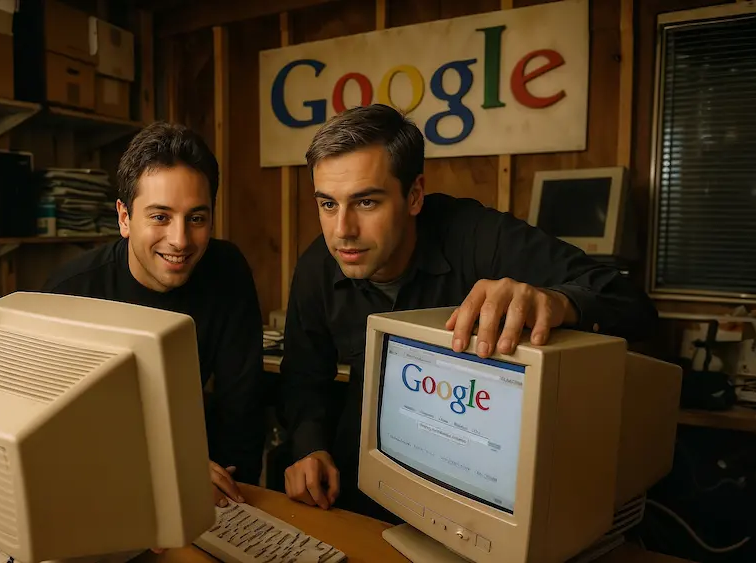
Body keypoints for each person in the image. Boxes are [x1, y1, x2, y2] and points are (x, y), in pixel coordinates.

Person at [280, 104, 658, 519]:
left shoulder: (480, 236)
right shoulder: (318, 264)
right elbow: (303, 375)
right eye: (328, 205)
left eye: (366, 202)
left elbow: (632, 306)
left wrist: (556, 301)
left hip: (478, 492)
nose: (342, 231)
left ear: (414, 195)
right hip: (362, 489)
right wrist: (310, 447)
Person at [42, 122, 265, 508]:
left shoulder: (227, 270)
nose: (180, 240)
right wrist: (164, 473)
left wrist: (232, 501)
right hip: (95, 486)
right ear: (124, 218)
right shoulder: (70, 293)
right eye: (160, 217)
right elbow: (54, 437)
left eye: (196, 218)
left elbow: (242, 408)